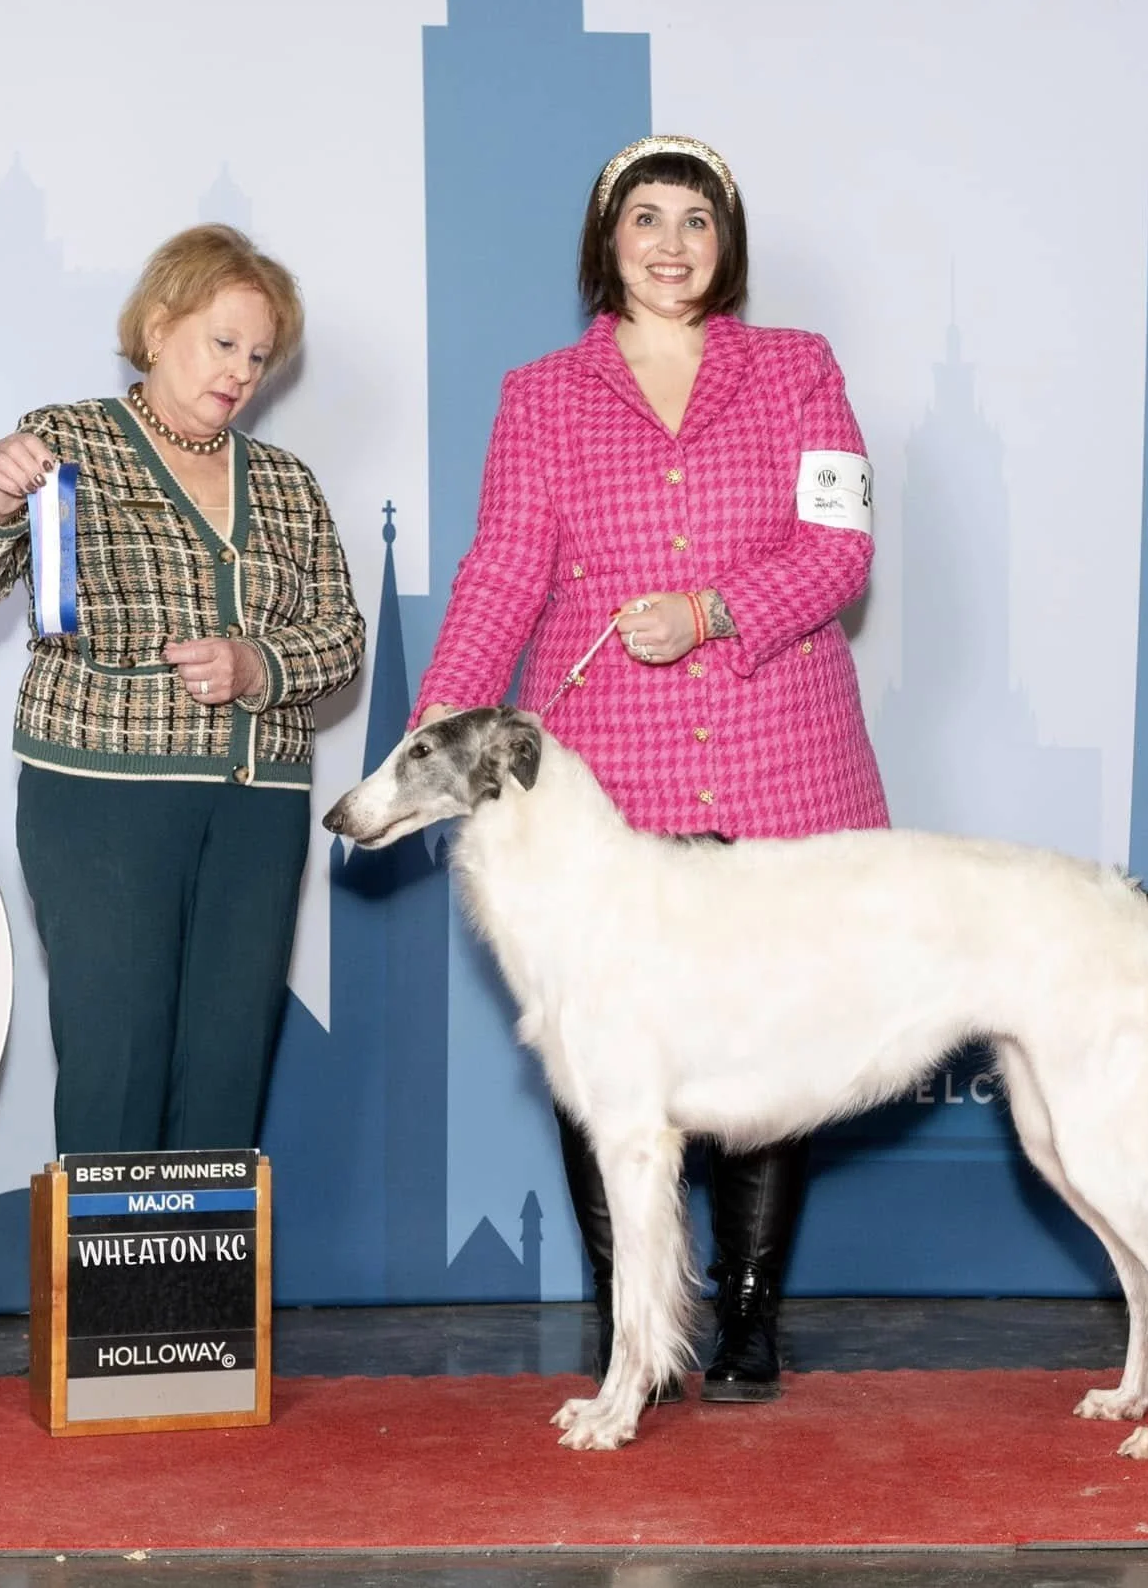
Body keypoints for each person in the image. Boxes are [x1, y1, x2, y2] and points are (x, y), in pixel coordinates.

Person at [413, 135, 888, 1403]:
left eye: (695, 220)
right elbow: (502, 569)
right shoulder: (540, 393)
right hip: (605, 783)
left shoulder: (797, 371)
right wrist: (436, 736)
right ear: (605, 243)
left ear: (724, 244)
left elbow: (839, 552)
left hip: (782, 756)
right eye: (644, 219)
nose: (671, 242)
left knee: (767, 1044)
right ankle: (638, 1331)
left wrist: (714, 611)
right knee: (603, 1055)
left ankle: (744, 1323)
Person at [0, 223, 365, 1156]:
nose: (242, 372)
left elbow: (341, 640)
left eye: (259, 354)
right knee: (116, 1053)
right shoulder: (66, 439)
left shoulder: (288, 483)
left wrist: (257, 667)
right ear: (160, 327)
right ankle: (101, 1300)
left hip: (258, 808)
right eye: (223, 342)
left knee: (229, 1056)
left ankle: (199, 1299)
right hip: (103, 799)